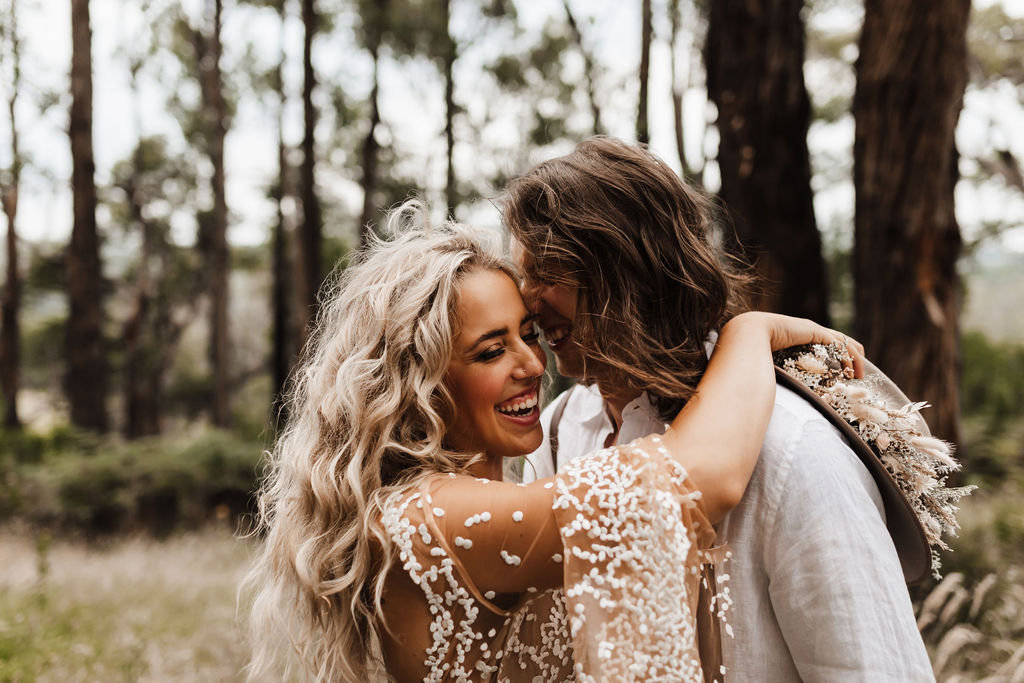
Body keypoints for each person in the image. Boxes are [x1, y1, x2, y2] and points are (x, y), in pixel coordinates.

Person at [243, 201, 861, 682]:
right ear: (421, 385)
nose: (535, 366)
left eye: (530, 334)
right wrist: (746, 334)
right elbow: (697, 482)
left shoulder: (499, 485)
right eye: (491, 350)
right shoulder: (427, 516)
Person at [504, 136, 935, 681]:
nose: (527, 299)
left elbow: (870, 668)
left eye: (546, 272)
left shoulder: (794, 447)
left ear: (630, 270)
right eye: (524, 274)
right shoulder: (557, 431)